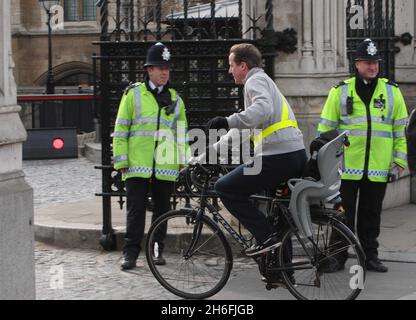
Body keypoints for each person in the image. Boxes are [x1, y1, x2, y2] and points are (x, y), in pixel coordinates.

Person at [207, 43, 307, 257]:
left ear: (243, 65)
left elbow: (261, 110)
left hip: (278, 156)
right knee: (278, 215)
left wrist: (226, 120)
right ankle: (282, 270)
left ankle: (265, 238)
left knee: (225, 188)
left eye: (231, 65)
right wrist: (210, 152)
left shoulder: (255, 81)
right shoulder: (263, 82)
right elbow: (244, 129)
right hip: (293, 155)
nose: (229, 70)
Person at [318, 39, 408, 273]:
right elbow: (325, 131)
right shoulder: (340, 91)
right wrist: (328, 162)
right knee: (341, 216)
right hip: (345, 168)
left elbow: (401, 131)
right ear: (356, 64)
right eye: (368, 62)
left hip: (378, 168)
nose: (373, 67)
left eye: (375, 62)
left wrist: (399, 162)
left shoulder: (391, 92)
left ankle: (371, 256)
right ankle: (337, 257)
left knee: (371, 216)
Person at [113, 42, 190, 270]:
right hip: (137, 163)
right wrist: (122, 160)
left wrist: (184, 163)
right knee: (135, 211)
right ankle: (131, 254)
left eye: (167, 68)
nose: (165, 72)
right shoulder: (133, 94)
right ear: (149, 70)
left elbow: (182, 135)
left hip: (165, 165)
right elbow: (120, 129)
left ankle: (157, 250)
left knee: (162, 211)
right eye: (160, 68)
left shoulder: (176, 100)